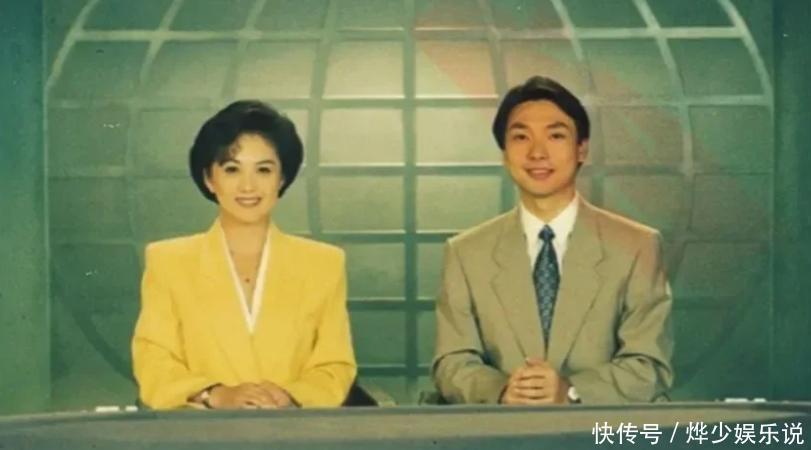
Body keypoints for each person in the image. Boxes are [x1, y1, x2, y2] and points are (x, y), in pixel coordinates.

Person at [432, 76, 673, 405]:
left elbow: (650, 365)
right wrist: (501, 391)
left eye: (556, 135)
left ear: (581, 149)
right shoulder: (465, 252)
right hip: (501, 430)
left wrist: (570, 391)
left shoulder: (637, 246)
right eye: (521, 137)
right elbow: (452, 361)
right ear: (504, 153)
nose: (537, 152)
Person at [132, 100, 356, 409]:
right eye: (232, 169)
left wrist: (289, 395)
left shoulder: (324, 263)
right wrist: (215, 394)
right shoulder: (168, 261)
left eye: (263, 170)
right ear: (209, 179)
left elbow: (335, 365)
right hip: (200, 431)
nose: (248, 186)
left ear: (282, 178)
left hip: (292, 430)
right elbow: (153, 360)